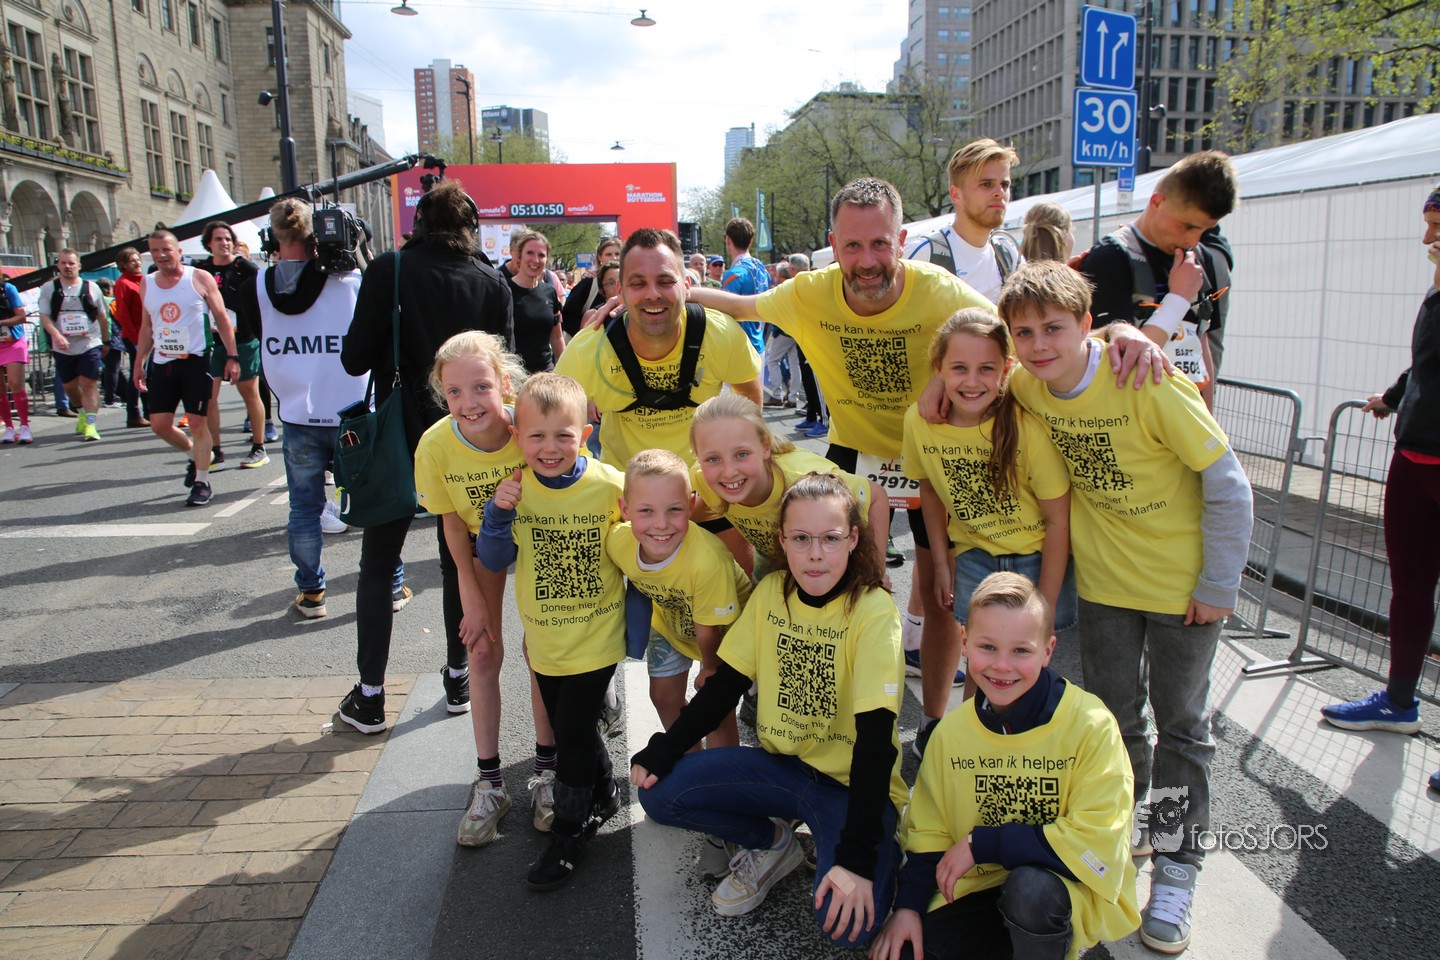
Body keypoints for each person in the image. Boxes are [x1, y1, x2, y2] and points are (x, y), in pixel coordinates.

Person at [997, 260, 1253, 954]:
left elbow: (1229, 484)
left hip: (1182, 589)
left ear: (1086, 325)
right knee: (1113, 722)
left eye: (1055, 328)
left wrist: (1219, 585)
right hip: (1106, 586)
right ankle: (1121, 830)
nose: (1039, 345)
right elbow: (974, 369)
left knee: (1182, 728)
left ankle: (1177, 863)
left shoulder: (1147, 379)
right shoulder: (1027, 385)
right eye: (1025, 333)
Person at [632, 472, 906, 945]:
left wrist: (858, 857)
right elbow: (724, 688)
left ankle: (875, 846)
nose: (815, 554)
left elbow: (875, 744)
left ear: (852, 539)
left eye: (830, 538)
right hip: (782, 769)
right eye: (800, 538)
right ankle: (776, 844)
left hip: (848, 787)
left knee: (848, 931)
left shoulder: (874, 611)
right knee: (660, 793)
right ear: (781, 540)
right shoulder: (772, 591)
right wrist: (667, 747)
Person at [869, 572, 1140, 960]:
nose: (1001, 665)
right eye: (987, 647)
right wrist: (908, 907)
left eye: (1021, 651)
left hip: (1059, 890)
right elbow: (930, 830)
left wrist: (985, 843)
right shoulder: (951, 734)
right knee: (905, 950)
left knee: (1029, 893)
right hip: (978, 887)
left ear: (1048, 650)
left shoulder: (1091, 726)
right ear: (964, 642)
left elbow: (1096, 841)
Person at [339, 179, 514, 733]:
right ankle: (459, 675)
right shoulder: (491, 279)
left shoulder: (388, 270)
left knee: (378, 563)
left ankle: (370, 695)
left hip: (400, 434)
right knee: (456, 559)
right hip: (467, 438)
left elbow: (353, 359)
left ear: (418, 223)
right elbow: (505, 366)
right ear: (470, 227)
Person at [477, 372, 626, 890]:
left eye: (563, 435)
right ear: (517, 437)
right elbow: (493, 558)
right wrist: (497, 514)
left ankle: (569, 831)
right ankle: (605, 792)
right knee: (573, 728)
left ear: (584, 435)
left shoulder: (611, 485)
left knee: (570, 732)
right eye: (536, 435)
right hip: (544, 639)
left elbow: (643, 543)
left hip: (598, 635)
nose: (549, 447)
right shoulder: (514, 490)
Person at [902, 309, 1074, 757]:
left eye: (986, 368)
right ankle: (973, 754)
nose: (972, 381)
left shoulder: (1025, 426)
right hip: (974, 554)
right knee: (981, 665)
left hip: (1035, 559)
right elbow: (929, 490)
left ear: (1006, 369)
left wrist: (1046, 602)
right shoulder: (920, 421)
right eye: (959, 367)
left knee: (1029, 667)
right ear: (938, 369)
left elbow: (1058, 520)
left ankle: (1025, 756)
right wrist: (942, 562)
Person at [413, 330, 560, 845]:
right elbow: (452, 524)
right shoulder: (435, 445)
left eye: (481, 387)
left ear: (505, 385)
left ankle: (546, 771)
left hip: (542, 536)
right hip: (481, 544)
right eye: (454, 392)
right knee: (480, 650)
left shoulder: (530, 426)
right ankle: (491, 782)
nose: (469, 402)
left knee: (542, 649)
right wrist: (471, 597)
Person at [1319, 185, 1440, 793]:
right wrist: (1391, 399)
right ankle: (1398, 701)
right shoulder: (1436, 290)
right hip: (1414, 459)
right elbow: (1426, 363)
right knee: (1409, 590)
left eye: (1437, 227)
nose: (1427, 239)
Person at [555, 227, 762, 473]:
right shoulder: (590, 348)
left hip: (702, 482)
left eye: (665, 282)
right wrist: (590, 477)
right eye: (638, 284)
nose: (652, 294)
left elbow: (748, 395)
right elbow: (551, 421)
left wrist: (730, 463)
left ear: (686, 286)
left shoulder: (719, 333)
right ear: (620, 292)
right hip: (624, 484)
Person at [256, 199, 367, 621]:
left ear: (274, 236)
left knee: (304, 508)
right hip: (349, 408)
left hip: (298, 411)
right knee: (370, 502)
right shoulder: (349, 280)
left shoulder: (260, 284)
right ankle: (390, 582)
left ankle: (311, 591)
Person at [1078, 150, 1239, 409]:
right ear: (1157, 202)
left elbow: (1202, 342)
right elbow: (1114, 363)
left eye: (1204, 230)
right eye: (1187, 226)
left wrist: (1209, 422)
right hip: (1135, 420)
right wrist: (1178, 299)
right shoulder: (1110, 259)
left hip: (1185, 418)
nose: (1193, 240)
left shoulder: (1199, 259)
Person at [689, 393, 888, 578]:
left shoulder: (805, 481)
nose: (729, 472)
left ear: (765, 447)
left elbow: (876, 496)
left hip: (829, 555)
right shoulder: (703, 479)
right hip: (776, 554)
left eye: (742, 454)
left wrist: (876, 571)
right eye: (713, 458)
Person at [134, 230, 241, 507]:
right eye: (155, 251)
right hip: (163, 362)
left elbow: (222, 318)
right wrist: (139, 362)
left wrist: (232, 356)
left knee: (196, 422)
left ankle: (202, 482)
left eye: (166, 249)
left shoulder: (199, 278)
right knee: (159, 425)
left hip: (196, 360)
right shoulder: (147, 283)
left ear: (179, 251)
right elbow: (147, 326)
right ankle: (196, 456)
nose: (161, 255)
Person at [906, 139, 1023, 304]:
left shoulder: (1008, 255)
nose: (999, 192)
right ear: (956, 194)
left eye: (1005, 184)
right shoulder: (925, 254)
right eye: (986, 184)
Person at [195, 220, 269, 469]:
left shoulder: (244, 268)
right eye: (218, 239)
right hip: (212, 342)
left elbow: (261, 296)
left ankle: (258, 447)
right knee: (208, 396)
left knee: (249, 392)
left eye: (228, 239)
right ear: (208, 243)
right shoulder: (201, 270)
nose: (224, 243)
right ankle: (215, 449)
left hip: (244, 339)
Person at [38, 248, 111, 442]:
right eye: (63, 263)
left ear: (79, 265)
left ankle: (91, 424)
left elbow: (102, 317)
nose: (67, 267)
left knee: (89, 382)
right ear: (58, 265)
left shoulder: (92, 287)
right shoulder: (49, 288)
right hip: (63, 345)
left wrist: (106, 341)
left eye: (71, 263)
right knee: (69, 386)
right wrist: (57, 336)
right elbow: (44, 316)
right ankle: (82, 414)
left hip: (89, 342)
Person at [506, 230, 565, 375]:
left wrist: (567, 370)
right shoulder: (504, 291)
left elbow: (557, 337)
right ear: (519, 256)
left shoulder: (550, 292)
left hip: (545, 374)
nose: (536, 260)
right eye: (530, 253)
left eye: (541, 255)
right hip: (514, 376)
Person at [110, 247, 150, 429]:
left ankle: (149, 411)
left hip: (148, 334)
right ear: (123, 264)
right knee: (138, 374)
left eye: (138, 259)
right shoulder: (123, 283)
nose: (137, 263)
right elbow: (123, 315)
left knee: (148, 374)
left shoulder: (143, 280)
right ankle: (134, 414)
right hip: (135, 335)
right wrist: (136, 340)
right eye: (132, 260)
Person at [721, 217, 770, 355]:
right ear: (750, 242)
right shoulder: (763, 270)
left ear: (728, 240)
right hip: (759, 345)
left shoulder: (734, 275)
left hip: (740, 350)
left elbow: (725, 317)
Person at [561, 236, 622, 338]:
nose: (614, 258)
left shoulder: (633, 281)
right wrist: (586, 334)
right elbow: (569, 315)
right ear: (600, 257)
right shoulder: (589, 282)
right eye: (608, 254)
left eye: (617, 254)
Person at [0, 278, 32, 444]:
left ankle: (25, 426)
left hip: (13, 341)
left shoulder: (8, 288)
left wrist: (1, 322)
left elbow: (21, 316)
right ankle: (9, 428)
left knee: (15, 382)